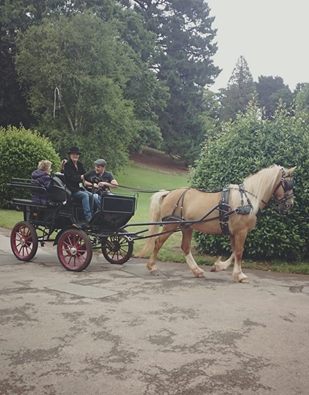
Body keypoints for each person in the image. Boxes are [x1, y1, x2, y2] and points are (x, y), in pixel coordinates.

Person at [63, 146, 93, 223]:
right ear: (70, 155)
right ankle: (88, 217)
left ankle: (93, 216)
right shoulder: (67, 165)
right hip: (71, 190)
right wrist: (81, 177)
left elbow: (85, 174)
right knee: (85, 195)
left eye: (77, 154)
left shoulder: (80, 164)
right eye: (73, 154)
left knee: (91, 195)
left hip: (79, 188)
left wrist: (93, 180)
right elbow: (71, 178)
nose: (75, 156)